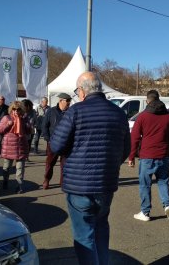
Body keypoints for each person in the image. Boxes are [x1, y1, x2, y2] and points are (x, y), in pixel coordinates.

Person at [51, 72, 130, 264]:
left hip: (80, 187)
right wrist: (109, 164)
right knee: (101, 229)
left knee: (84, 237)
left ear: (82, 91)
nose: (77, 95)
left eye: (77, 91)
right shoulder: (118, 112)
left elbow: (56, 146)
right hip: (106, 185)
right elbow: (126, 149)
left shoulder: (76, 111)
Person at [128, 90, 169, 223]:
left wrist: (131, 157)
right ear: (158, 99)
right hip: (163, 155)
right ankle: (167, 206)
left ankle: (145, 211)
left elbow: (135, 138)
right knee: (163, 181)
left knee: (145, 184)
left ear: (147, 100)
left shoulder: (143, 116)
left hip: (147, 155)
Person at [0, 101, 31, 193]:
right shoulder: (6, 118)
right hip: (9, 147)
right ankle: (5, 181)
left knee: (20, 168)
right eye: (14, 109)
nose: (16, 111)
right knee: (7, 167)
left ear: (21, 110)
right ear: (11, 109)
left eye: (18, 109)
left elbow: (28, 132)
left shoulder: (24, 119)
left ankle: (19, 186)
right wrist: (8, 124)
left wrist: (28, 126)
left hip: (21, 146)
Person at [41, 92, 71, 189]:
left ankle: (63, 183)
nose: (69, 103)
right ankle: (47, 179)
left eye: (70, 101)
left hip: (66, 143)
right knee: (50, 163)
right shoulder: (51, 111)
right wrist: (48, 139)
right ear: (60, 101)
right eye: (67, 101)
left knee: (65, 165)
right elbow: (44, 126)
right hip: (53, 143)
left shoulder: (70, 112)